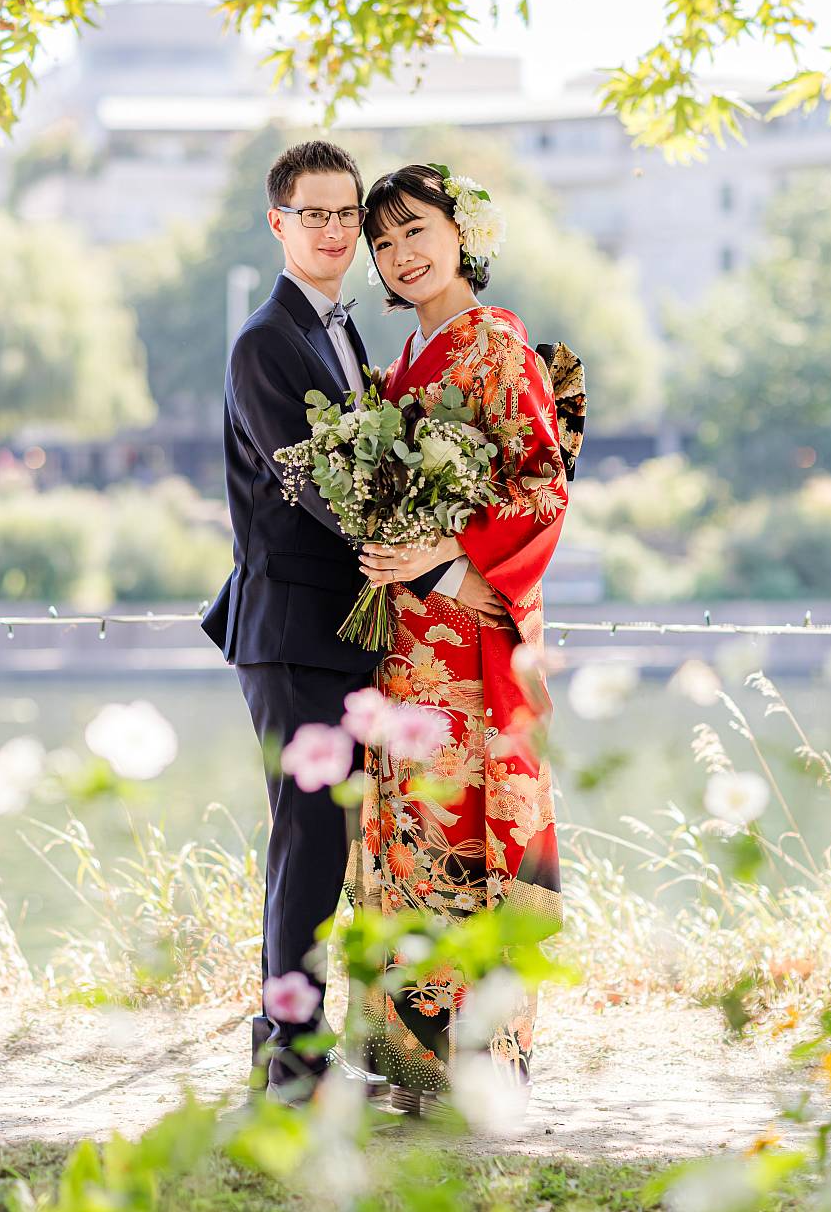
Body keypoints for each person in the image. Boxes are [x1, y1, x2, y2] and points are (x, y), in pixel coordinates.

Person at [201, 141, 501, 1102]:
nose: (334, 232)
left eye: (347, 218)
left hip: (344, 631)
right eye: (314, 214)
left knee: (332, 848)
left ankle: (311, 1050)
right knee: (308, 850)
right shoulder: (264, 341)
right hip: (292, 632)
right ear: (279, 223)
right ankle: (286, 1061)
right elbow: (322, 488)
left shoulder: (343, 332)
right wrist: (436, 556)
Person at [345, 162, 586, 1114]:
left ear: (460, 233)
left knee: (469, 839)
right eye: (385, 243)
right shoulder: (405, 360)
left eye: (417, 232)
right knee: (409, 840)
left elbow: (542, 485)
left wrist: (441, 551)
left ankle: (482, 1072)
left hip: (469, 653)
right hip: (407, 653)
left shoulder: (494, 346)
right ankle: (416, 1067)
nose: (402, 255)